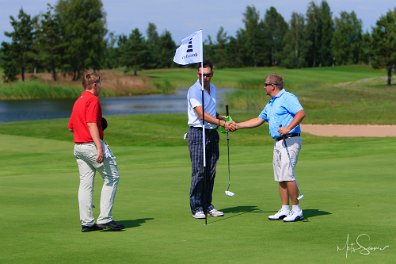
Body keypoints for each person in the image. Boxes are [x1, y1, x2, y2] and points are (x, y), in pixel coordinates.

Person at [229, 73, 305, 222]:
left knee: (288, 175)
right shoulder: (271, 103)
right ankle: (285, 209)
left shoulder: (287, 97)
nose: (264, 87)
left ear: (273, 86)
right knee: (280, 177)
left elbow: (301, 113)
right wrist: (237, 125)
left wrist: (289, 127)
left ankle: (297, 210)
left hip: (290, 140)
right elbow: (259, 119)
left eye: (265, 84)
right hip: (278, 142)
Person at [68, 71, 125, 232]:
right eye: (99, 84)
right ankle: (105, 219)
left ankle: (86, 222)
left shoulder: (78, 101)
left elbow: (72, 127)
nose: (101, 86)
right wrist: (99, 147)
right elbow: (92, 123)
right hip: (91, 145)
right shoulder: (93, 100)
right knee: (112, 177)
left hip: (78, 147)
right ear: (94, 85)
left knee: (86, 183)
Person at [186, 60, 232, 219]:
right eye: (201, 75)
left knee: (210, 172)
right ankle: (196, 207)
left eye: (207, 75)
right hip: (198, 133)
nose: (204, 78)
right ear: (197, 74)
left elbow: (210, 113)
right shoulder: (194, 91)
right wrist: (221, 123)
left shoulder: (212, 88)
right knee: (199, 172)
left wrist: (223, 118)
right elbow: (201, 115)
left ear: (212, 74)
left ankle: (207, 204)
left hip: (212, 133)